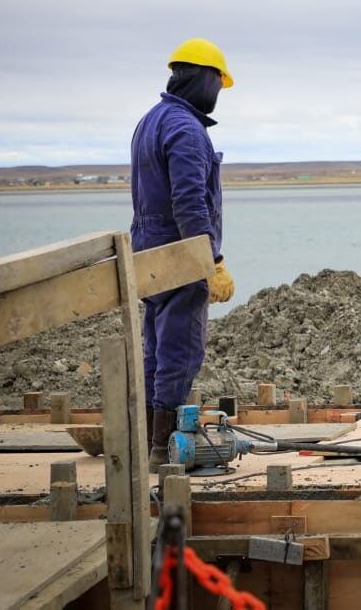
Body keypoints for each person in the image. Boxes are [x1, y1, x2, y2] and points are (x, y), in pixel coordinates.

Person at [131, 38, 236, 467]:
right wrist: (209, 260)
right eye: (218, 82)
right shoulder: (187, 129)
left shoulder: (150, 121)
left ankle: (149, 442)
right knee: (179, 349)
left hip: (147, 246)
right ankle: (163, 450)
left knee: (156, 346)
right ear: (205, 78)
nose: (219, 93)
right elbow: (190, 202)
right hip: (179, 252)